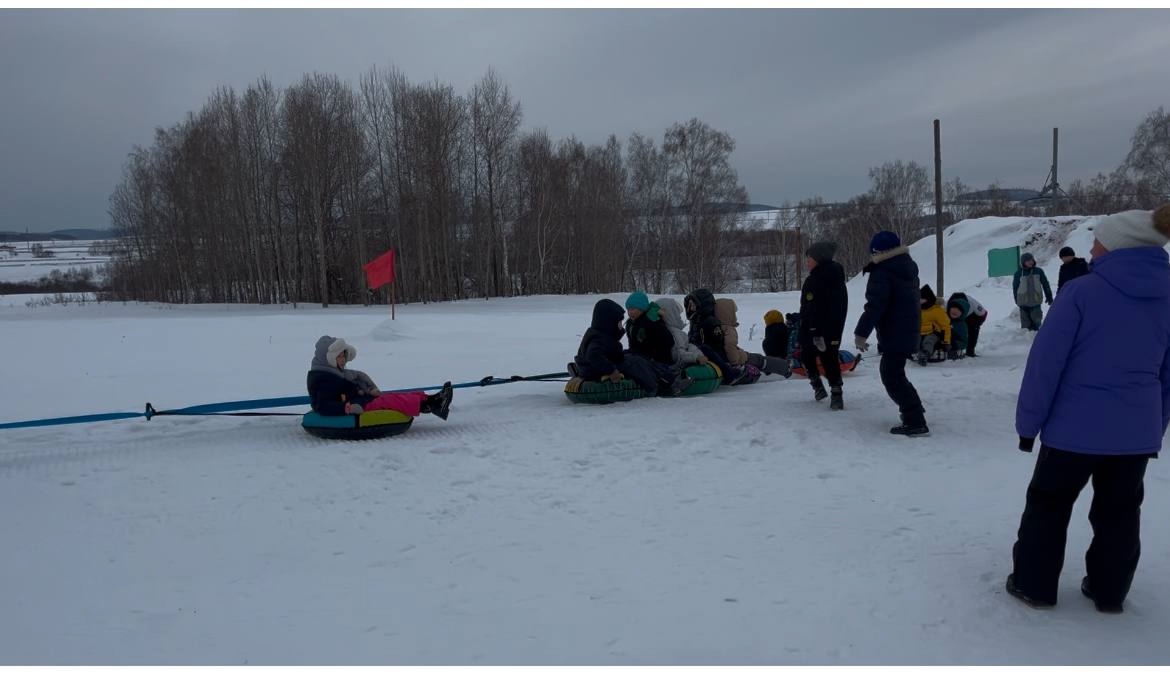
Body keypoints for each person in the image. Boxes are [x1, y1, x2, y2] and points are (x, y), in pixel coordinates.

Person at [1007, 206, 1170, 614]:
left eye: (1098, 240)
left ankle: (1034, 585)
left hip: (1071, 432)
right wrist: (1155, 425)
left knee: (1048, 504)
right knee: (1120, 512)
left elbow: (1045, 365)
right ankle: (1109, 591)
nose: (1093, 247)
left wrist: (1029, 424)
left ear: (1117, 246)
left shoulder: (1081, 292)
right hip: (1135, 434)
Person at [853, 231, 928, 436]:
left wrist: (861, 333)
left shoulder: (883, 272)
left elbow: (875, 306)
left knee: (892, 376)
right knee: (896, 374)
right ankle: (914, 409)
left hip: (896, 332)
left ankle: (915, 421)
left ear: (878, 252)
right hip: (906, 329)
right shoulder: (906, 266)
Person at [307, 335, 453, 419]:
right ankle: (431, 406)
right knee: (393, 401)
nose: (343, 360)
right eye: (338, 357)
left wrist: (368, 391)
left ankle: (432, 399)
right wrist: (347, 408)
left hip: (362, 400)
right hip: (359, 406)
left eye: (343, 355)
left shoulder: (336, 373)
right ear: (327, 359)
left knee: (395, 395)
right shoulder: (323, 379)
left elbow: (353, 385)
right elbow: (322, 405)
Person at [799, 241, 849, 409]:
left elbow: (812, 306)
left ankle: (823, 387)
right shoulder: (837, 276)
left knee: (809, 355)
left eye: (810, 258)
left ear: (819, 259)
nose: (807, 262)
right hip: (833, 327)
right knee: (829, 357)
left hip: (814, 327)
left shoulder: (815, 280)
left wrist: (814, 329)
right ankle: (832, 391)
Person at [624, 292, 692, 395]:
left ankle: (671, 381)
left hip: (658, 359)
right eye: (628, 309)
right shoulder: (631, 323)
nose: (630, 312)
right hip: (640, 355)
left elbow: (667, 341)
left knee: (641, 362)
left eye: (633, 309)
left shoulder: (651, 321)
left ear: (642, 309)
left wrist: (652, 356)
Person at [714, 298, 789, 379]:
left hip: (730, 358)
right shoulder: (728, 329)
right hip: (739, 359)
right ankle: (786, 368)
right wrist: (735, 363)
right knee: (761, 360)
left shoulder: (715, 328)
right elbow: (730, 345)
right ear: (728, 313)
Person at [656, 297, 710, 370]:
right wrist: (696, 357)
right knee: (707, 350)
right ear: (671, 314)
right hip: (680, 368)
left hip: (688, 359)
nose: (679, 317)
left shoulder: (675, 331)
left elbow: (687, 345)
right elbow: (679, 355)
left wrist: (698, 354)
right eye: (677, 314)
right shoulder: (674, 333)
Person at [1013, 253, 1053, 331]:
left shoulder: (1038, 271)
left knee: (1037, 324)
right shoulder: (1018, 274)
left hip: (1036, 302)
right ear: (1023, 262)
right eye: (1028, 261)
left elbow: (1045, 284)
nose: (1030, 262)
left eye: (1031, 260)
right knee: (1025, 328)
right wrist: (1016, 300)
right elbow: (1015, 288)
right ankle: (1023, 342)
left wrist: (1049, 296)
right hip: (1023, 303)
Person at [917, 285, 952, 366]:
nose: (920, 301)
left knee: (928, 341)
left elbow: (946, 326)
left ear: (928, 299)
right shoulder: (917, 309)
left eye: (922, 299)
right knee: (915, 341)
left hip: (933, 332)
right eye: (919, 299)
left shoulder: (937, 310)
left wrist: (946, 341)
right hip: (919, 333)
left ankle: (925, 354)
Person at [950, 292, 989, 357]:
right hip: (952, 316)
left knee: (973, 329)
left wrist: (975, 325)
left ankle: (970, 350)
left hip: (972, 316)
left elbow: (983, 314)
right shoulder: (946, 305)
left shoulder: (973, 304)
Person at [945, 294, 970, 360]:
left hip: (955, 345)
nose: (954, 311)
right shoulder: (945, 320)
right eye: (953, 308)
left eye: (958, 310)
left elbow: (964, 341)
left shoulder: (962, 325)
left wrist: (956, 344)